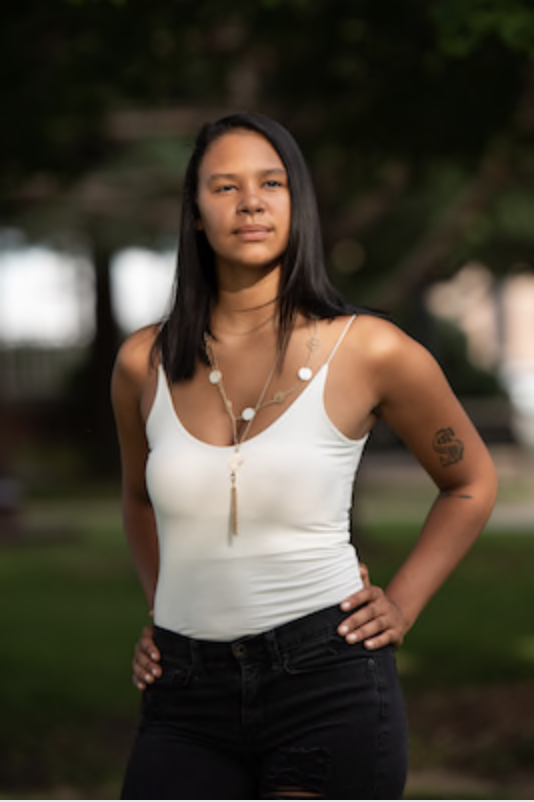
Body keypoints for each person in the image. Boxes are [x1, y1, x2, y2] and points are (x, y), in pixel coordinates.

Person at [112, 111, 497, 800]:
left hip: (327, 679)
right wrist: (162, 612)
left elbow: (469, 480)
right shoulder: (144, 361)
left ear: (298, 206)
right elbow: (139, 500)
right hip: (185, 695)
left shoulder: (371, 349)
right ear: (196, 214)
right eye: (224, 187)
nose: (251, 201)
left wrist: (402, 606)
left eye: (271, 183)